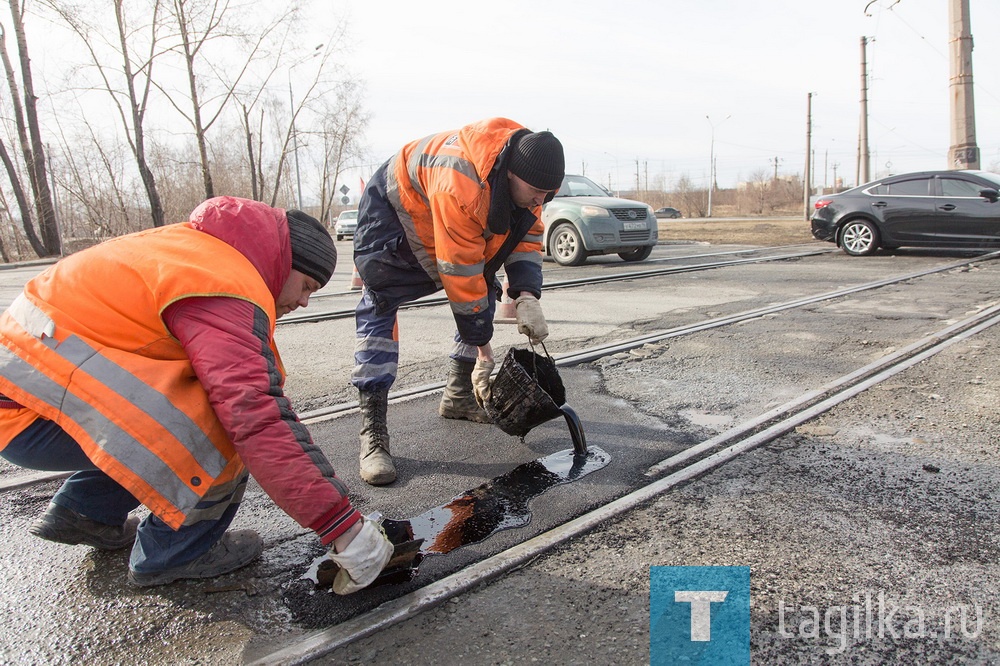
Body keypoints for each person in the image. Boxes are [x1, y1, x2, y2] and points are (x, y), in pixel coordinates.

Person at [0, 196, 392, 594]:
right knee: (220, 423)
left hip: (25, 397)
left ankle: (88, 512)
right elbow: (253, 413)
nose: (305, 300)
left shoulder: (194, 251)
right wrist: (341, 525)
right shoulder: (226, 284)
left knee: (175, 397)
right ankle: (175, 553)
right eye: (306, 284)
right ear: (283, 261)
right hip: (33, 414)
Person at [351, 117, 565, 485]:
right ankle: (373, 434)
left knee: (484, 288)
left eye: (548, 195)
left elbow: (525, 237)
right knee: (380, 304)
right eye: (535, 192)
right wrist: (485, 353)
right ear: (510, 174)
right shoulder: (462, 184)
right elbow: (461, 277)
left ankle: (458, 395)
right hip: (395, 218)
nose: (540, 201)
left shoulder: (529, 180)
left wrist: (526, 294)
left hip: (446, 216)